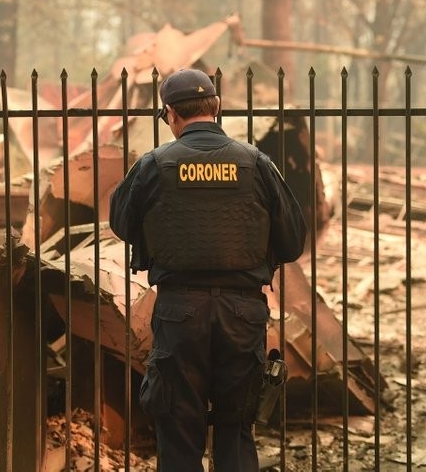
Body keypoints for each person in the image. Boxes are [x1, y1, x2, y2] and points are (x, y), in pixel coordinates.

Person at [109, 68, 306, 472]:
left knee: (179, 429)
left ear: (169, 114)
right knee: (236, 430)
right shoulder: (256, 163)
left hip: (179, 313)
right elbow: (292, 240)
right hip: (243, 315)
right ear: (216, 108)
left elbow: (121, 222)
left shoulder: (155, 165)